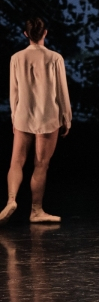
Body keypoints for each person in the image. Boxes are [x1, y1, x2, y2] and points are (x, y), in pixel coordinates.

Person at [0, 18, 72, 225]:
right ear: (45, 33)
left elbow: (13, 91)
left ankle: (11, 199)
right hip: (48, 116)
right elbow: (62, 91)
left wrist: (14, 116)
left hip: (23, 114)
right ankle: (36, 210)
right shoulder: (54, 57)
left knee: (17, 161)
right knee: (41, 164)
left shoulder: (16, 57)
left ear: (26, 34)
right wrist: (67, 117)